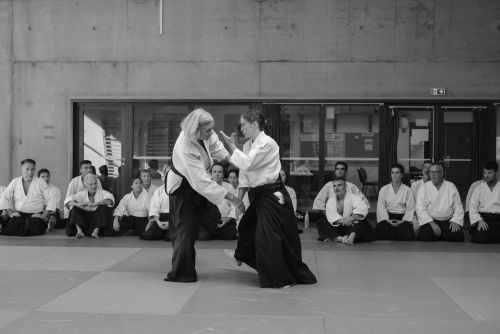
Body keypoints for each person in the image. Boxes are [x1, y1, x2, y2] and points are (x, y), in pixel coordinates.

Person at [220, 109, 316, 289]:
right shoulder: (249, 145)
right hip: (258, 195)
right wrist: (238, 200)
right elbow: (245, 174)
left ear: (255, 124)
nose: (241, 129)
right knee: (247, 227)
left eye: (244, 125)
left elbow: (247, 163)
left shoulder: (268, 143)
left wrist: (231, 146)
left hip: (272, 196)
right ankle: (242, 255)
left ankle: (281, 279)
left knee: (268, 238)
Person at [164, 108, 244, 283]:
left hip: (197, 185)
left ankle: (192, 232)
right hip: (182, 189)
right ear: (196, 129)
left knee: (212, 216)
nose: (211, 133)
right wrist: (232, 197)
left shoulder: (205, 132)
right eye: (207, 130)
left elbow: (216, 147)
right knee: (185, 230)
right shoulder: (184, 146)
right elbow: (200, 182)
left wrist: (236, 160)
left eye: (210, 129)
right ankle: (181, 273)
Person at [0, 159, 57, 236]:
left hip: (35, 215)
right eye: (27, 169)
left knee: (31, 225)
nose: (30, 172)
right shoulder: (15, 182)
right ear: (22, 169)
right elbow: (4, 196)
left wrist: (43, 215)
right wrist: (10, 213)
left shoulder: (40, 182)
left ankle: (39, 224)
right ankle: (23, 228)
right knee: (11, 228)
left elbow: (52, 197)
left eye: (32, 169)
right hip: (20, 215)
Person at [316, 177, 375, 245]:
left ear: (345, 186)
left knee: (360, 220)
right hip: (339, 227)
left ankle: (351, 237)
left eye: (339, 185)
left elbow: (362, 209)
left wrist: (351, 218)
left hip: (352, 226)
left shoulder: (354, 197)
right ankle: (340, 238)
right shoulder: (331, 201)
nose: (336, 188)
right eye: (334, 186)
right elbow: (331, 216)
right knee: (321, 221)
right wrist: (343, 222)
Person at [415, 164, 464, 242]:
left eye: (436, 172)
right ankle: (442, 235)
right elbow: (420, 208)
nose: (433, 175)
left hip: (448, 220)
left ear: (442, 173)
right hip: (431, 221)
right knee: (425, 236)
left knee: (457, 236)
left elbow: (458, 206)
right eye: (431, 172)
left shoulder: (450, 186)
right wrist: (432, 224)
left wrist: (455, 221)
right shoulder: (424, 187)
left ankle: (443, 234)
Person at [64, 174, 115, 238]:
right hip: (84, 222)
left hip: (98, 221)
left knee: (104, 207)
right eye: (91, 184)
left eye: (95, 184)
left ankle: (96, 231)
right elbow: (68, 201)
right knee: (74, 208)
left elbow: (110, 200)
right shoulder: (81, 194)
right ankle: (79, 231)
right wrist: (78, 204)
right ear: (86, 185)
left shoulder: (102, 193)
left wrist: (96, 204)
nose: (93, 186)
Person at [375, 164, 415, 240]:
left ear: (402, 175)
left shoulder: (407, 190)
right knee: (381, 234)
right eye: (392, 173)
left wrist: (402, 221)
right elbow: (381, 207)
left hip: (402, 218)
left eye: (397, 173)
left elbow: (410, 208)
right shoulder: (384, 189)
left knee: (406, 235)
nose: (394, 175)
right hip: (387, 217)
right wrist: (387, 220)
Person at [468, 161, 500, 243]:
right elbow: (472, 207)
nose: (486, 175)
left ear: (496, 173)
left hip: (498, 218)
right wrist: (479, 220)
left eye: (490, 173)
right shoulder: (478, 188)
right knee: (481, 238)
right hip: (483, 218)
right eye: (485, 172)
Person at [204, 162, 237, 240]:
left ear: (223, 174)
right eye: (214, 172)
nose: (217, 174)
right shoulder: (205, 187)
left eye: (219, 172)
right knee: (204, 236)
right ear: (210, 174)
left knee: (230, 235)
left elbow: (234, 205)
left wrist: (228, 218)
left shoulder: (229, 187)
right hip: (209, 221)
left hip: (226, 220)